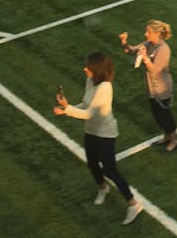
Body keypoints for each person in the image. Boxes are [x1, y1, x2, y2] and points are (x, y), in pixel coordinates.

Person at [55, 52, 145, 225]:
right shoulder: (91, 81)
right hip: (91, 131)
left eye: (88, 67)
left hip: (105, 134)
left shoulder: (105, 88)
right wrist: (67, 107)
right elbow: (86, 105)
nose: (85, 69)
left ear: (97, 70)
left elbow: (90, 113)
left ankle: (133, 203)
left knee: (110, 170)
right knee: (92, 163)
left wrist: (67, 110)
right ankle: (103, 188)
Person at [119, 20, 177, 152]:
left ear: (157, 33)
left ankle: (174, 139)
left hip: (162, 89)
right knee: (157, 115)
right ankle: (166, 137)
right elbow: (131, 50)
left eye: (149, 32)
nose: (145, 34)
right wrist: (124, 42)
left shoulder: (164, 49)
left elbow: (155, 70)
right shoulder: (149, 44)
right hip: (152, 88)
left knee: (165, 115)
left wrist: (145, 58)